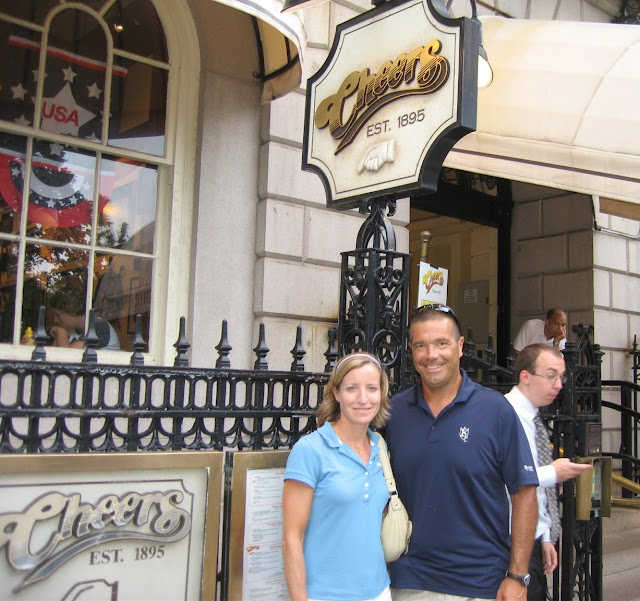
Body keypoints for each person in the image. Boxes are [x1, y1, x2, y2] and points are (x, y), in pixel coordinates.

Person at [385, 304, 539, 601]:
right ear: (410, 350)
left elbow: (525, 493)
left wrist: (518, 575)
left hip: (481, 584)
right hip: (408, 582)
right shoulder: (394, 412)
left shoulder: (495, 410)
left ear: (460, 347)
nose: (431, 355)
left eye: (441, 343)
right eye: (421, 345)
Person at [282, 352, 392, 601]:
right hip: (325, 594)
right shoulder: (310, 450)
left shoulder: (380, 447)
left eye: (372, 388)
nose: (363, 399)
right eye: (352, 388)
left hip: (379, 591)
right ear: (336, 393)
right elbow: (291, 538)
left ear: (381, 394)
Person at [505, 344, 591, 601]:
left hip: (530, 538)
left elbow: (535, 493)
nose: (559, 384)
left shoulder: (533, 419)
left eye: (561, 376)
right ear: (525, 376)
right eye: (551, 375)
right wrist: (553, 473)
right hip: (508, 541)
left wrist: (544, 535)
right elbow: (504, 480)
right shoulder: (504, 414)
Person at [48, 288, 121, 351]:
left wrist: (61, 333)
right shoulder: (72, 330)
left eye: (58, 315)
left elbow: (67, 359)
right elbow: (54, 355)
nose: (55, 320)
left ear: (72, 311)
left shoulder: (99, 327)